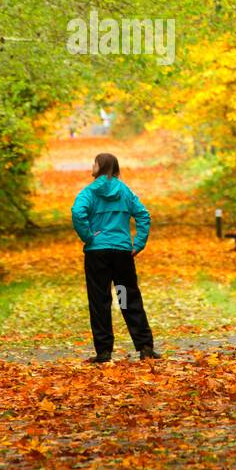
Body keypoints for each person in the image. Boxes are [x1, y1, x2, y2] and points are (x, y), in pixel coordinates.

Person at [71, 152, 159, 363]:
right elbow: (143, 215)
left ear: (100, 166)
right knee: (127, 297)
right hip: (121, 254)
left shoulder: (89, 192)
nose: (91, 166)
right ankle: (145, 347)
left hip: (97, 254)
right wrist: (137, 244)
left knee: (100, 300)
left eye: (94, 163)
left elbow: (77, 212)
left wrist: (89, 237)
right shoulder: (124, 191)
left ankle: (104, 352)